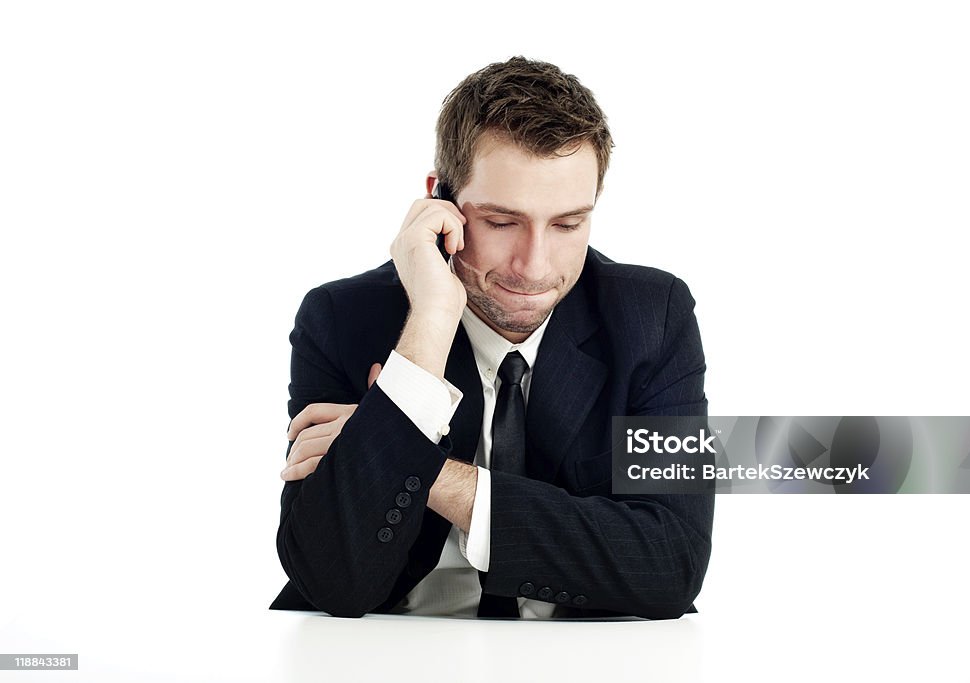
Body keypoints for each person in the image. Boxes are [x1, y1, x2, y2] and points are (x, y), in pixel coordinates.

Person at [269, 56, 713, 620]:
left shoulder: (653, 317)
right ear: (440, 203)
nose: (534, 265)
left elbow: (671, 563)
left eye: (568, 224)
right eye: (502, 223)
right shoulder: (340, 318)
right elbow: (333, 581)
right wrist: (430, 318)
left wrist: (405, 458)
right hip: (388, 655)